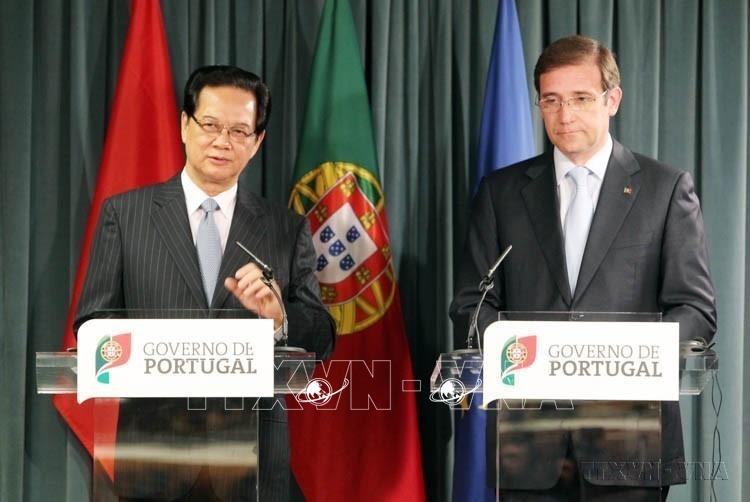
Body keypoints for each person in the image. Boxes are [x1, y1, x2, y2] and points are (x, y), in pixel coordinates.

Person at [450, 35, 716, 500]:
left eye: (580, 98)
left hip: (630, 442)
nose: (565, 114)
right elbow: (472, 304)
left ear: (612, 100)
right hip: (530, 448)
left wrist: (618, 357)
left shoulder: (665, 189)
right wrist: (529, 354)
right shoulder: (501, 193)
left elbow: (695, 310)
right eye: (551, 100)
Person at [76, 65, 335, 501]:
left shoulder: (285, 228)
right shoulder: (126, 216)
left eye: (239, 131)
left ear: (257, 142)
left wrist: (279, 317)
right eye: (210, 125)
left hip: (250, 462)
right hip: (155, 454)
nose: (222, 141)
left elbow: (323, 338)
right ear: (184, 125)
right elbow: (91, 325)